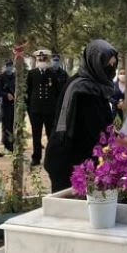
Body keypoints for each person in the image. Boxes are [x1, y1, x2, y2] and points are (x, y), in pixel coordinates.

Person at [45, 39, 118, 192]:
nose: (111, 68)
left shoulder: (92, 85)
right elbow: (97, 129)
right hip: (70, 163)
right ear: (95, 63)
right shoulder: (84, 90)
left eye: (114, 64)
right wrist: (121, 142)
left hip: (78, 158)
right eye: (107, 64)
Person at [26, 49, 67, 166]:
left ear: (47, 60)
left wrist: (57, 108)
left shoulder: (52, 74)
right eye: (39, 59)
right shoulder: (31, 74)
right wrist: (29, 108)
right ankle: (36, 157)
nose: (41, 60)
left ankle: (51, 158)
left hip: (50, 110)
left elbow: (58, 92)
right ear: (36, 60)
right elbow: (28, 92)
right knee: (36, 135)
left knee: (51, 135)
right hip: (36, 110)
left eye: (44, 59)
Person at [0, 59, 16, 152]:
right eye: (7, 65)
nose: (9, 67)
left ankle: (13, 146)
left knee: (13, 126)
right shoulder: (0, 78)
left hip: (14, 105)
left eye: (10, 65)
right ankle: (7, 147)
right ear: (4, 66)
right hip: (5, 105)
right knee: (6, 127)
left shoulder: (15, 77)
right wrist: (6, 95)